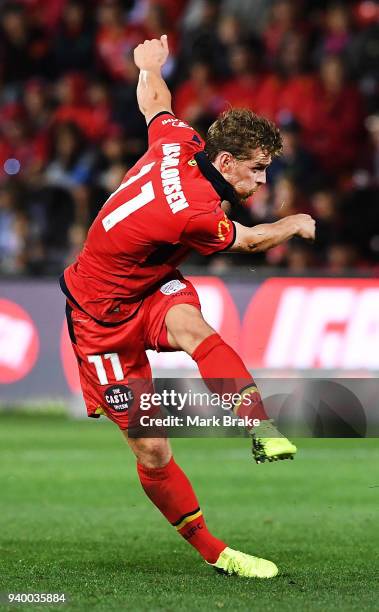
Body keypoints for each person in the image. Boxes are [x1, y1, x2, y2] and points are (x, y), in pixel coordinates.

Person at [60, 35, 315, 579]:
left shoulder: (178, 139)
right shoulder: (196, 212)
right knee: (152, 451)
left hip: (149, 287)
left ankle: (257, 425)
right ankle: (216, 552)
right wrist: (293, 223)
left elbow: (155, 103)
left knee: (192, 327)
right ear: (225, 160)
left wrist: (148, 65)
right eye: (258, 168)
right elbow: (247, 242)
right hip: (100, 318)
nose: (262, 180)